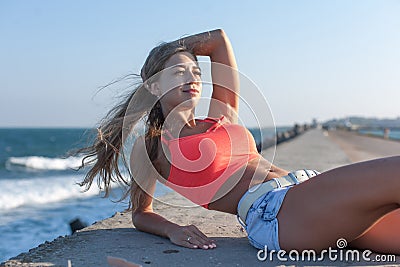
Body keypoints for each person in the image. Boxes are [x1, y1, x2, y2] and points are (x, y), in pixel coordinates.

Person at [79, 29, 400, 254]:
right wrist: (172, 230)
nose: (191, 78)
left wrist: (174, 54)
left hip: (305, 192)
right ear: (152, 86)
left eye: (195, 72)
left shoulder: (224, 115)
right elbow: (140, 213)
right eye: (178, 73)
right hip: (275, 213)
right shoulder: (151, 149)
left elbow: (218, 39)